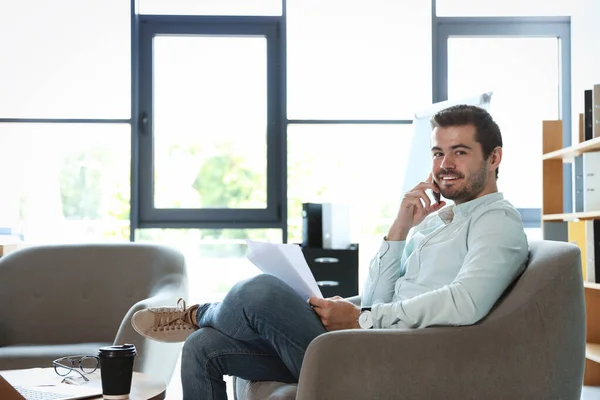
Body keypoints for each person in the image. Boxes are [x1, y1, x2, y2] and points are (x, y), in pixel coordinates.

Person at [131, 104, 529, 400]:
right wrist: (399, 229)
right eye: (438, 153)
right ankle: (203, 322)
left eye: (460, 152)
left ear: (494, 158)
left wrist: (364, 319)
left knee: (260, 292)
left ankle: (199, 313)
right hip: (372, 343)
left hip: (397, 362)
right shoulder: (442, 219)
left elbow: (466, 303)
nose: (444, 164)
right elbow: (379, 298)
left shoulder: (496, 221)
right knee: (204, 348)